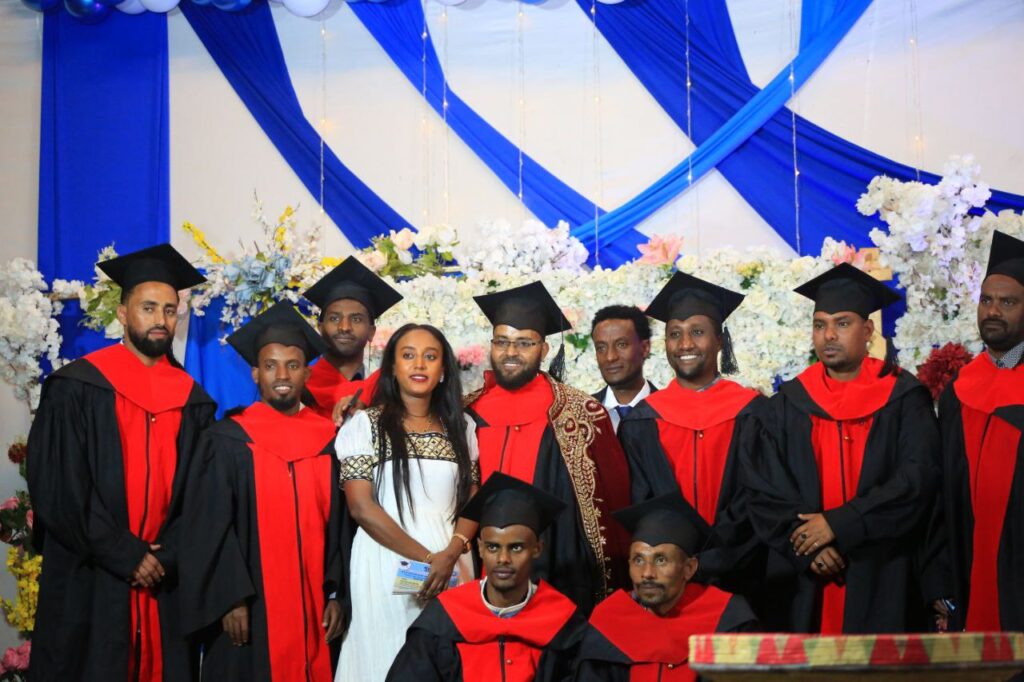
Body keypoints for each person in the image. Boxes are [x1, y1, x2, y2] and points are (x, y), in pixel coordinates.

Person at [26, 244, 216, 681]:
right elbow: (59, 488)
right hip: (92, 573)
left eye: (169, 310)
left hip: (163, 580)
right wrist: (125, 553)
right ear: (122, 313)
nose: (160, 319)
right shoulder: (76, 387)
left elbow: (202, 495)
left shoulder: (193, 401)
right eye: (148, 308)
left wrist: (168, 555)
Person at [744, 263, 944, 633]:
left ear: (868, 331)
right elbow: (764, 488)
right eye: (819, 325)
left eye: (842, 323)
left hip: (884, 568)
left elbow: (917, 481)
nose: (829, 335)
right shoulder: (787, 403)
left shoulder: (904, 397)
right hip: (806, 577)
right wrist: (808, 545)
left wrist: (838, 524)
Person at [178, 302, 344, 681]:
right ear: (255, 373)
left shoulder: (330, 441)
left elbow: (342, 529)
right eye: (270, 365)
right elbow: (209, 528)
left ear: (306, 373)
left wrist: (338, 596)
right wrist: (230, 597)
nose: (282, 375)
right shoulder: (226, 439)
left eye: (293, 365)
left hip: (315, 603)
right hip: (251, 606)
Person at [466, 281, 633, 613]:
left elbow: (613, 511)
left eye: (524, 343)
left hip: (557, 574)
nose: (510, 352)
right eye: (502, 341)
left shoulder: (582, 415)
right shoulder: (464, 412)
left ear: (543, 350)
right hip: (473, 568)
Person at [335, 323, 480, 682]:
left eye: (430, 356)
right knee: (386, 655)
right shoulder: (365, 425)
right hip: (387, 559)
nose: (419, 364)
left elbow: (472, 499)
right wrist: (428, 559)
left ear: (443, 369)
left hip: (452, 561)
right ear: (392, 367)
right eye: (408, 355)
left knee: (445, 661)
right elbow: (361, 507)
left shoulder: (462, 427)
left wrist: (450, 554)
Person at [617, 273, 766, 592]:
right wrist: (675, 557)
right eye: (675, 334)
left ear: (719, 341)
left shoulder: (752, 412)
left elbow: (760, 497)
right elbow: (640, 500)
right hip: (666, 579)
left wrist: (716, 555)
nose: (685, 344)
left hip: (744, 571)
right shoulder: (642, 420)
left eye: (697, 332)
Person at [386, 473, 589, 682]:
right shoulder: (444, 617)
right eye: (493, 547)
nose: (503, 559)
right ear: (480, 549)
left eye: (516, 547)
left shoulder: (563, 621)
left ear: (537, 549)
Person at [575, 493, 757, 681]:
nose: (647, 573)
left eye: (661, 560)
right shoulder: (610, 619)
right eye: (638, 560)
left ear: (689, 568)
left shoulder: (728, 618)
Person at [938, 230, 1024, 631]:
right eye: (986, 300)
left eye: (1008, 302)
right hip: (969, 565)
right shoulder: (960, 390)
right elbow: (940, 492)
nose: (993, 311)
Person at [302, 257, 403, 421]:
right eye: (334, 318)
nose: (344, 327)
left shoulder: (388, 388)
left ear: (371, 332)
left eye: (356, 319)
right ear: (320, 328)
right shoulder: (299, 386)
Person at [590, 305, 658, 434]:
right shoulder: (582, 414)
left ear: (645, 348)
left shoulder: (669, 412)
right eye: (601, 348)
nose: (610, 357)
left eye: (621, 345)